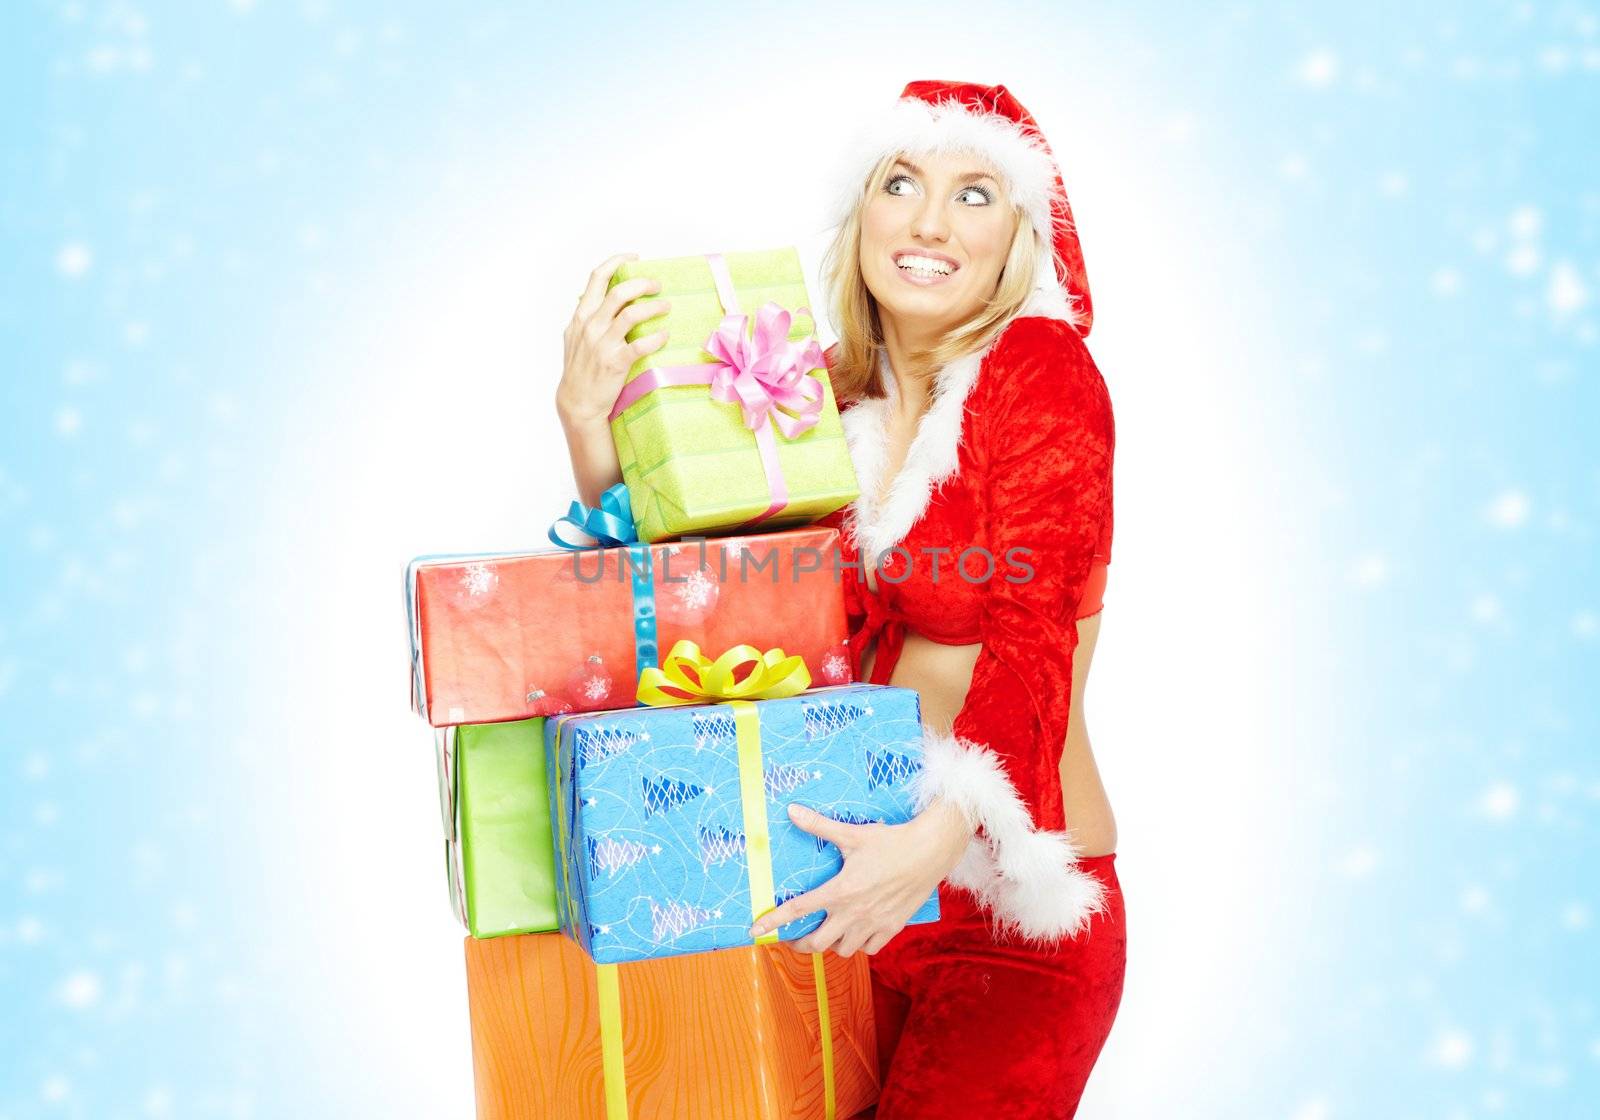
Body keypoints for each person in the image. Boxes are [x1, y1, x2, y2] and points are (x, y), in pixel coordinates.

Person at [556, 81, 1123, 1120]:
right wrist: (591, 426)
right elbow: (706, 608)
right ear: (861, 212)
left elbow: (1031, 635)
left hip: (996, 916)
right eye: (900, 181)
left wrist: (932, 839)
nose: (928, 220)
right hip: (841, 898)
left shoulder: (1041, 374)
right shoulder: (824, 401)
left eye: (975, 194)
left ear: (1020, 240)